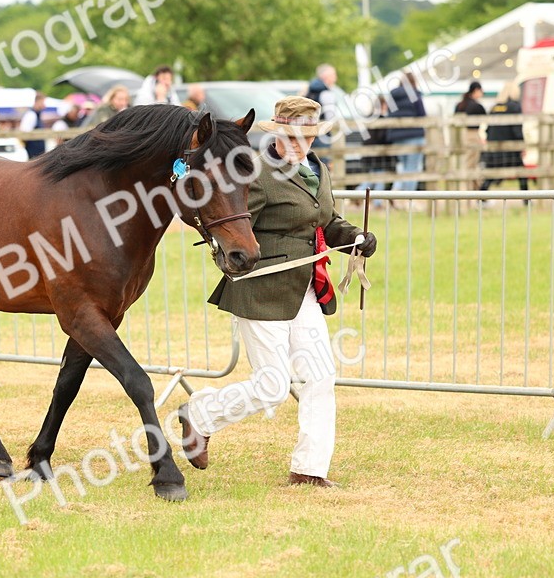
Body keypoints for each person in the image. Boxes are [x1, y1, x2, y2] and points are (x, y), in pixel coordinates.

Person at [177, 96, 378, 488]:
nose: (300, 143)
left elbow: (326, 219)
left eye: (307, 135)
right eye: (293, 135)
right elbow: (225, 218)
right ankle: (199, 414)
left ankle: (309, 470)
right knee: (271, 387)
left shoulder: (318, 169)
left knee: (320, 376)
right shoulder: (256, 173)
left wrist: (354, 236)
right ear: (278, 133)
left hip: (305, 286)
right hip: (261, 287)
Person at [479, 84, 527, 192]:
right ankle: (527, 199)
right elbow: (517, 128)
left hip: (494, 147)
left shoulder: (494, 107)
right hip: (511, 148)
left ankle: (480, 197)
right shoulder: (514, 106)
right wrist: (521, 145)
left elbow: (488, 128)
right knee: (522, 173)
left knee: (491, 173)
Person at [387, 73, 427, 193]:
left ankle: (396, 191)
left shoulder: (393, 96)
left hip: (397, 137)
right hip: (414, 135)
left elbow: (389, 114)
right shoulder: (414, 94)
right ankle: (409, 197)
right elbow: (422, 114)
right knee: (412, 168)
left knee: (403, 167)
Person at [454, 81, 485, 190]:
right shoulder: (477, 106)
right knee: (471, 164)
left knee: (464, 163)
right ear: (476, 90)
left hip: (459, 136)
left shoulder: (460, 105)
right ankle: (471, 190)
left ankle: (471, 189)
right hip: (472, 135)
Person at [306, 63, 342, 151]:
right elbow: (331, 117)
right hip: (322, 135)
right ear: (325, 76)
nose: (335, 78)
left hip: (307, 135)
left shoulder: (309, 90)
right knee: (323, 162)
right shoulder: (326, 93)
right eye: (333, 75)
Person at [19, 92, 49, 159]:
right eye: (43, 102)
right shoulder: (31, 115)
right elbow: (24, 134)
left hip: (37, 154)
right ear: (38, 102)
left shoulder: (36, 115)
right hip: (33, 154)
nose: (44, 105)